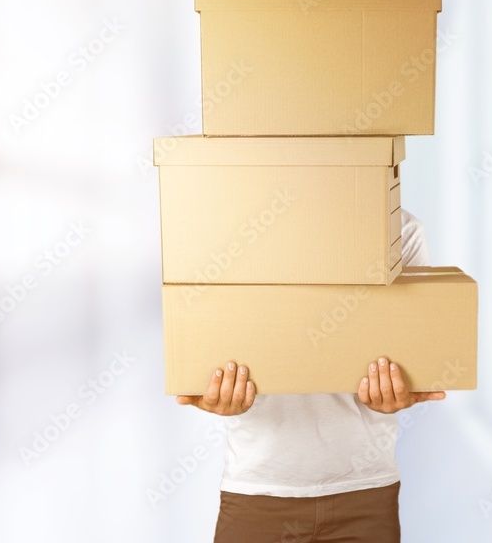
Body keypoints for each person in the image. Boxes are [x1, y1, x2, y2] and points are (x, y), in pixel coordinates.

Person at [177, 209, 444, 543]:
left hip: (365, 492)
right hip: (258, 492)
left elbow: (411, 350)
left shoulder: (397, 226)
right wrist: (214, 392)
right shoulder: (233, 226)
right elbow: (201, 340)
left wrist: (401, 392)